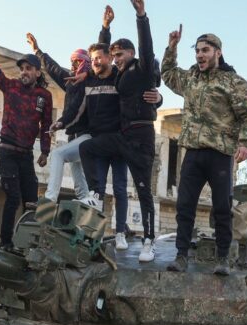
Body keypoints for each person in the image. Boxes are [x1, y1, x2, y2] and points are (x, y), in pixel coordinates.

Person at [162, 28, 247, 276]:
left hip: (220, 153)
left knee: (221, 208)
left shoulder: (233, 82)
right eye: (196, 51)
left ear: (218, 52)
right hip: (193, 153)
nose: (199, 55)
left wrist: (245, 142)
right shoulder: (191, 79)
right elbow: (168, 74)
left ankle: (222, 259)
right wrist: (172, 47)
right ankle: (181, 255)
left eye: (205, 50)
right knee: (185, 205)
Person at [79, 0, 159, 262]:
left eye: (120, 55)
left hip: (142, 139)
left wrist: (141, 16)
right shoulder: (118, 75)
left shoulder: (142, 69)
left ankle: (148, 241)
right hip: (122, 137)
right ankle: (95, 194)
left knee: (143, 191)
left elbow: (147, 49)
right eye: (114, 56)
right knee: (87, 147)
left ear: (131, 53)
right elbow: (99, 57)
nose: (115, 60)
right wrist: (105, 28)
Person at [0, 15, 53, 253]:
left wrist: (46, 152)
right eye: (22, 68)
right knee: (13, 197)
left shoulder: (44, 96)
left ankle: (30, 243)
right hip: (7, 152)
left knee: (31, 200)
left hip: (26, 155)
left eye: (29, 68)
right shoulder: (10, 86)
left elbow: (46, 125)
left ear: (38, 72)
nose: (24, 72)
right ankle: (5, 242)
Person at [25, 34, 96, 206]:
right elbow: (54, 69)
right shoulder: (72, 82)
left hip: (89, 136)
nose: (73, 65)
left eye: (77, 62)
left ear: (85, 63)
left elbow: (74, 110)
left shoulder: (90, 82)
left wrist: (61, 122)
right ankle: (88, 205)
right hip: (75, 136)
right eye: (71, 61)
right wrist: (37, 50)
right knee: (77, 176)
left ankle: (50, 198)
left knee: (58, 154)